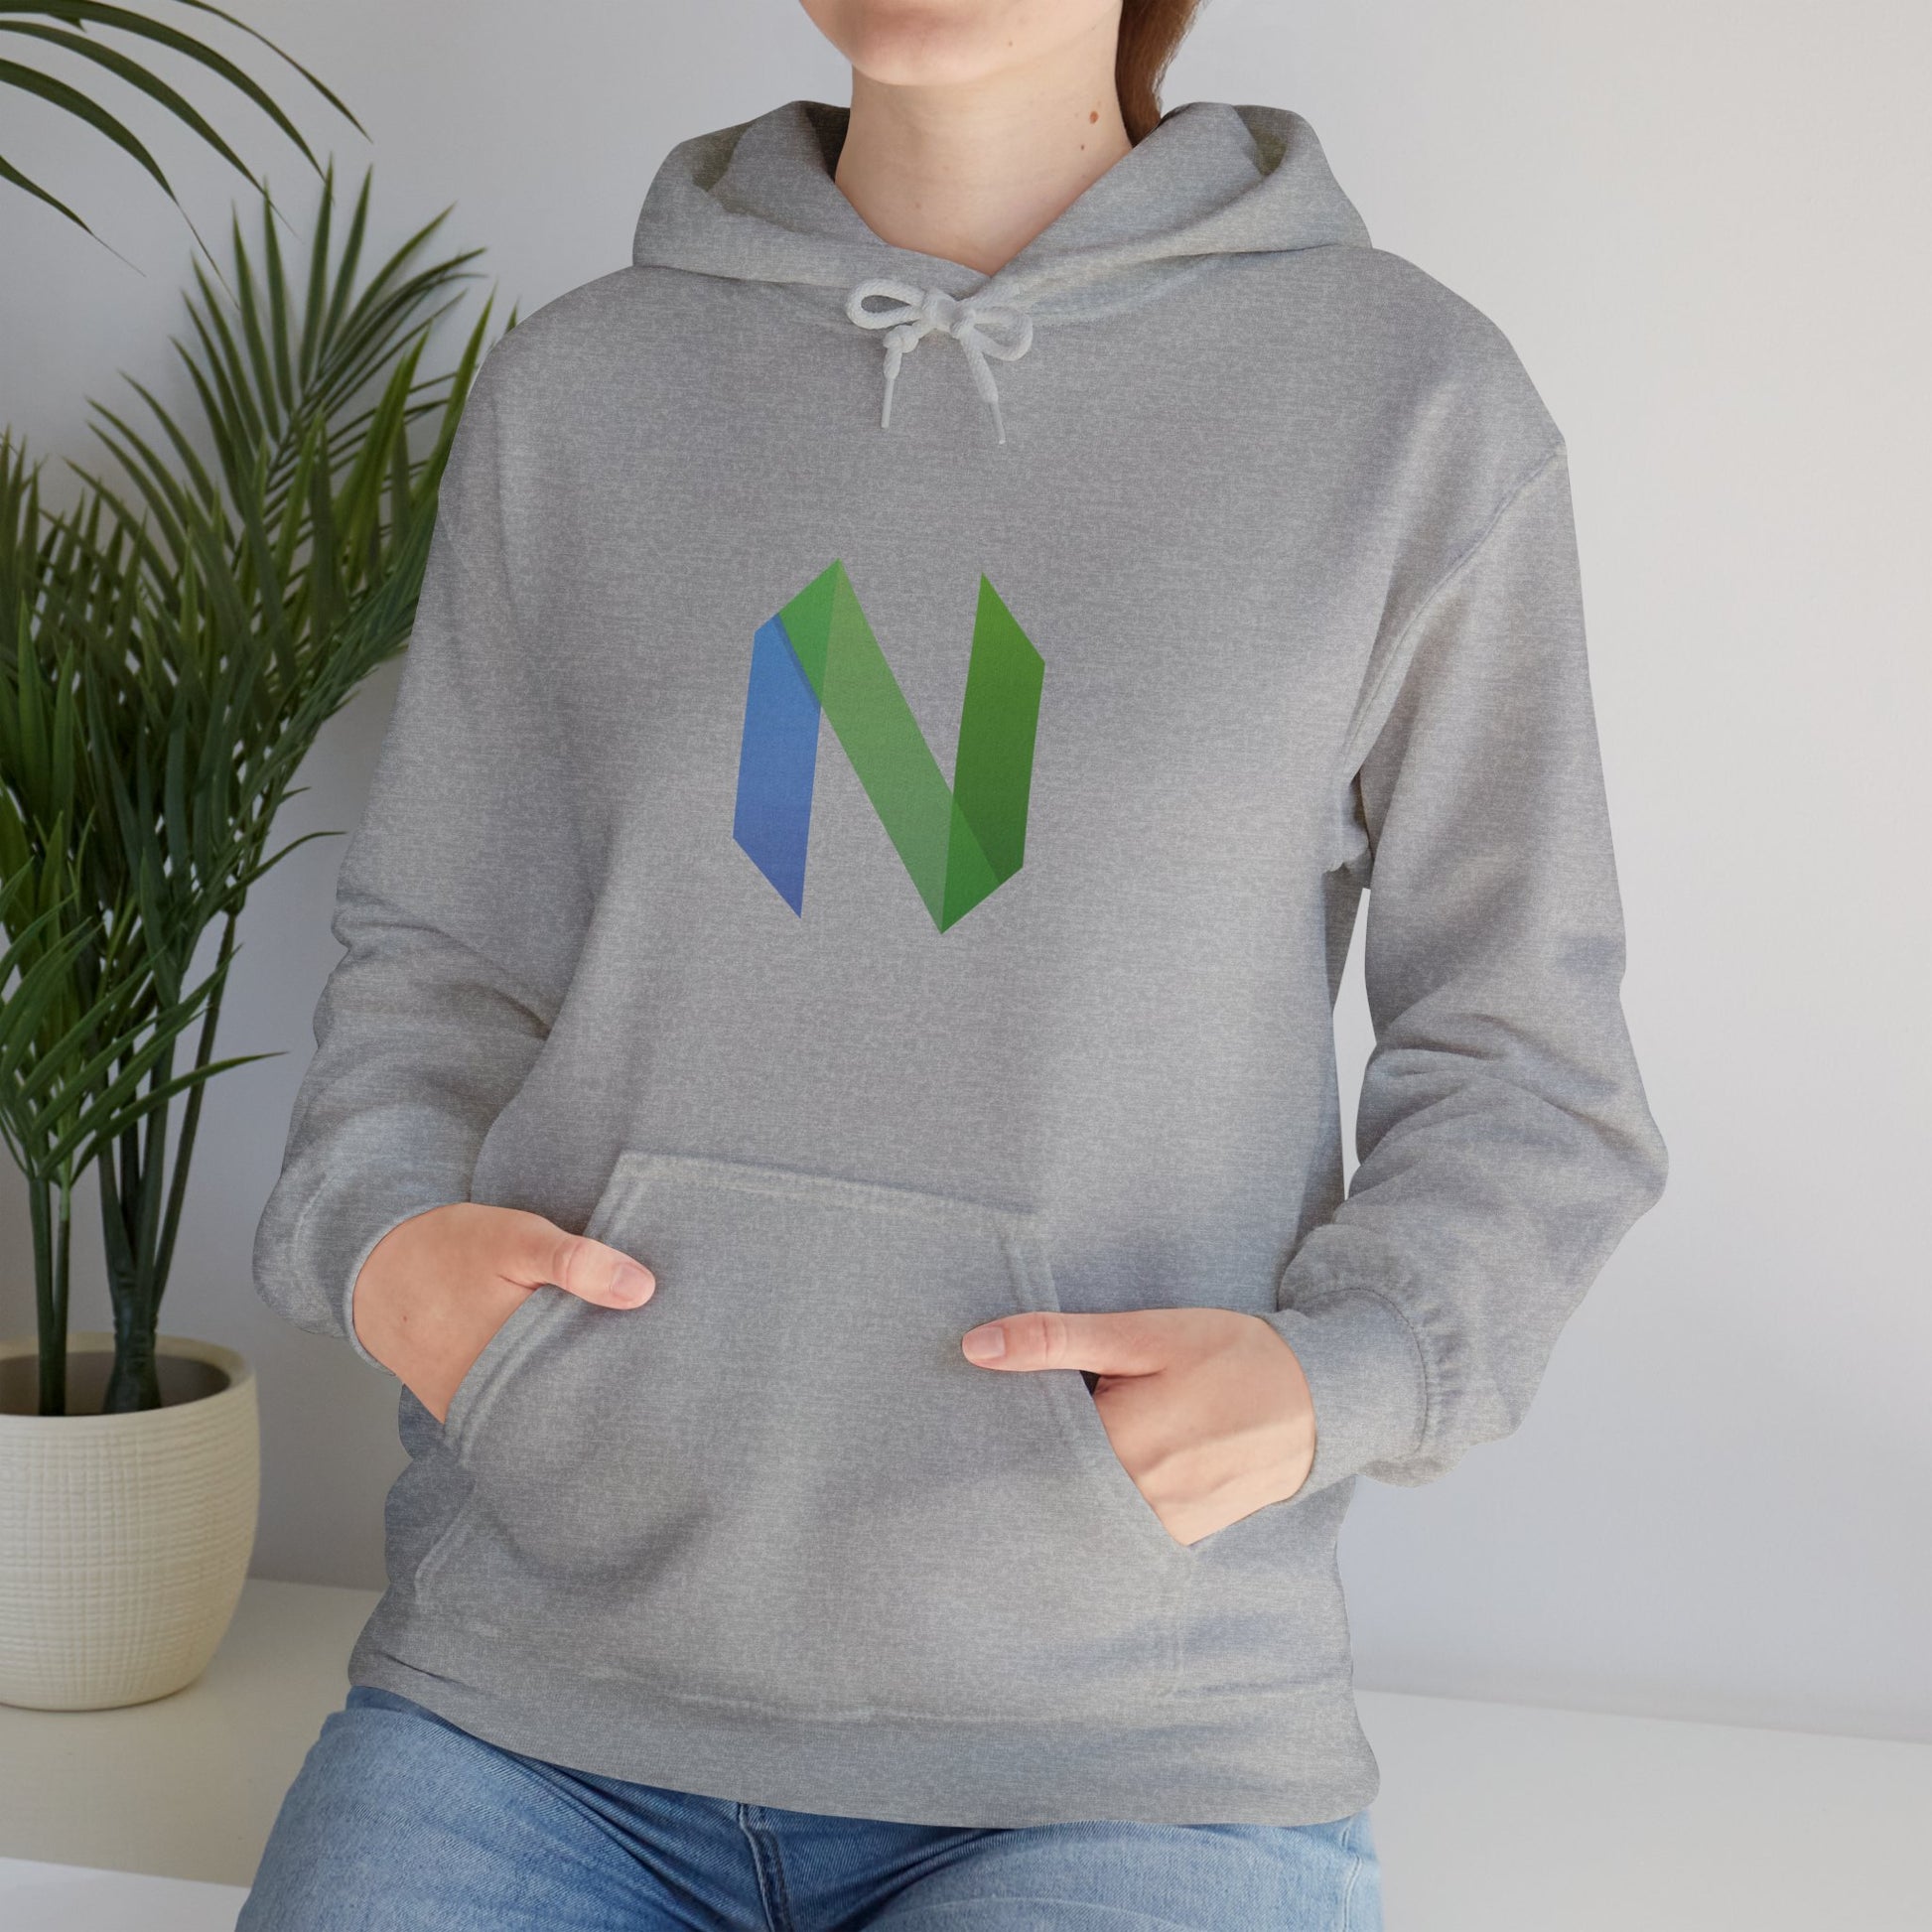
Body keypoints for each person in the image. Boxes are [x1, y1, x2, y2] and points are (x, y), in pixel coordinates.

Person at [239, 1, 1668, 1924]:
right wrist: (387, 1248)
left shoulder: (1407, 411)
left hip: (1126, 1748)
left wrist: (1348, 1373)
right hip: (534, 1702)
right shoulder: (584, 393)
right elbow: (435, 957)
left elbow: (1526, 1062)